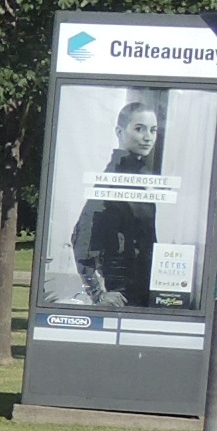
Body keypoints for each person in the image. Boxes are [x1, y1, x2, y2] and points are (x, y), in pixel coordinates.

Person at [73, 99, 162, 307]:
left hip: (141, 290)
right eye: (139, 129)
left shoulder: (139, 176)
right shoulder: (115, 177)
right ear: (120, 132)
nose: (148, 137)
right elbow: (81, 238)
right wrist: (98, 292)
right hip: (122, 293)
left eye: (153, 130)